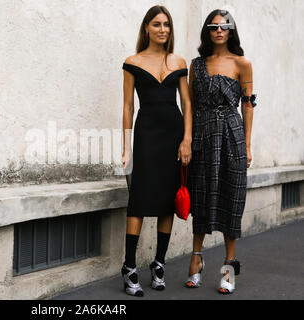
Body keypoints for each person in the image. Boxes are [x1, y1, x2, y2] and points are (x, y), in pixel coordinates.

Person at [121, 5, 192, 297]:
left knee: (167, 200)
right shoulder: (132, 61)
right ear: (146, 28)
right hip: (147, 135)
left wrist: (187, 139)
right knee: (138, 200)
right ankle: (128, 267)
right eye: (157, 24)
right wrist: (126, 147)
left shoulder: (178, 61)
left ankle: (159, 263)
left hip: (174, 136)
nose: (163, 29)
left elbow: (187, 104)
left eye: (167, 25)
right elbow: (127, 106)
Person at [185, 9, 255, 294]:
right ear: (207, 30)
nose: (219, 30)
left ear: (231, 30)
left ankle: (228, 265)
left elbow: (248, 105)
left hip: (232, 136)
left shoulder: (242, 63)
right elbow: (188, 104)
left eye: (224, 26)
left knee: (232, 197)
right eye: (213, 26)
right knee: (200, 196)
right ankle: (196, 260)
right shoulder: (196, 65)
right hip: (203, 134)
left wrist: (248, 144)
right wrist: (187, 138)